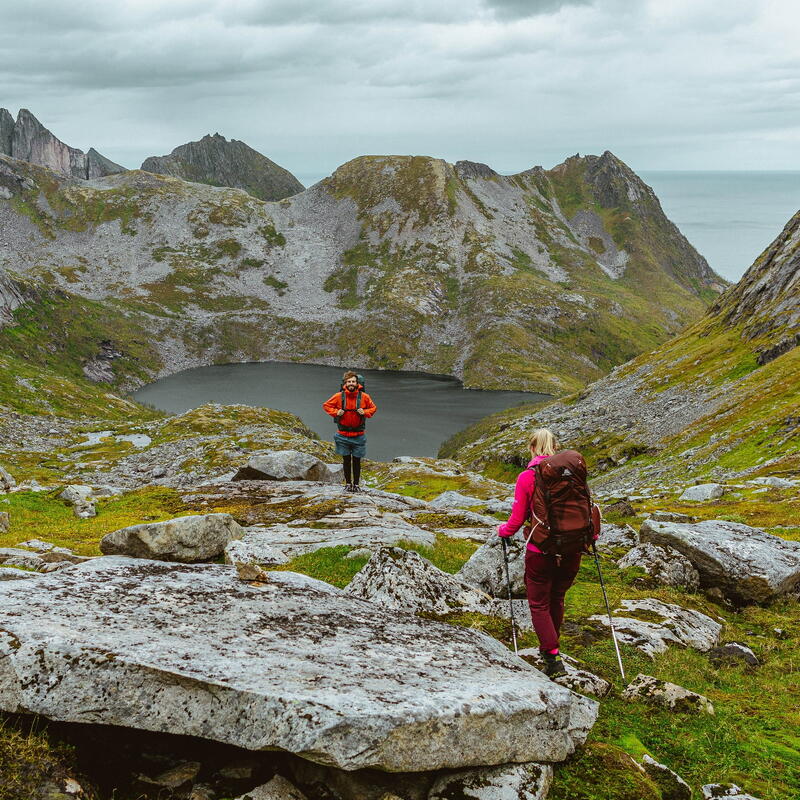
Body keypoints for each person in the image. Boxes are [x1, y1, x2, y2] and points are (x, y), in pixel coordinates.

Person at [497, 428, 584, 678]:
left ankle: (552, 657)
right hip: (572, 547)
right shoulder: (572, 473)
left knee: (539, 603)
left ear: (533, 448)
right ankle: (552, 648)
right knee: (557, 598)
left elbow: (516, 520)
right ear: (554, 448)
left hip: (541, 548)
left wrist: (502, 531)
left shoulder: (527, 477)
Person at [322, 371, 377, 492]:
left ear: (357, 383)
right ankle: (348, 484)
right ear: (345, 383)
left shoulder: (364, 397)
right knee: (346, 461)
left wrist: (365, 412)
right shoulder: (338, 396)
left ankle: (356, 485)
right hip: (342, 435)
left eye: (353, 381)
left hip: (358, 435)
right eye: (349, 382)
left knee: (357, 461)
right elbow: (326, 405)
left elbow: (373, 408)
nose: (351, 384)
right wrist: (336, 412)